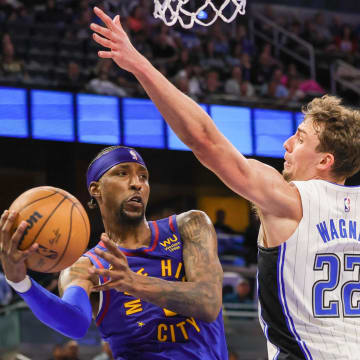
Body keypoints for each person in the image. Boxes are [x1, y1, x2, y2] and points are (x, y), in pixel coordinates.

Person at [88, 7, 360, 358]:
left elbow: (206, 140)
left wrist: (139, 64)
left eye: (301, 138)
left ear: (325, 161)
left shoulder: (288, 200)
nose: (287, 144)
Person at [0, 145, 227, 359]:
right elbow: (75, 324)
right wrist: (20, 282)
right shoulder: (85, 267)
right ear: (96, 188)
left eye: (143, 176)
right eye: (122, 173)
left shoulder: (189, 225)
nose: (137, 183)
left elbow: (208, 303)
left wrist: (133, 282)